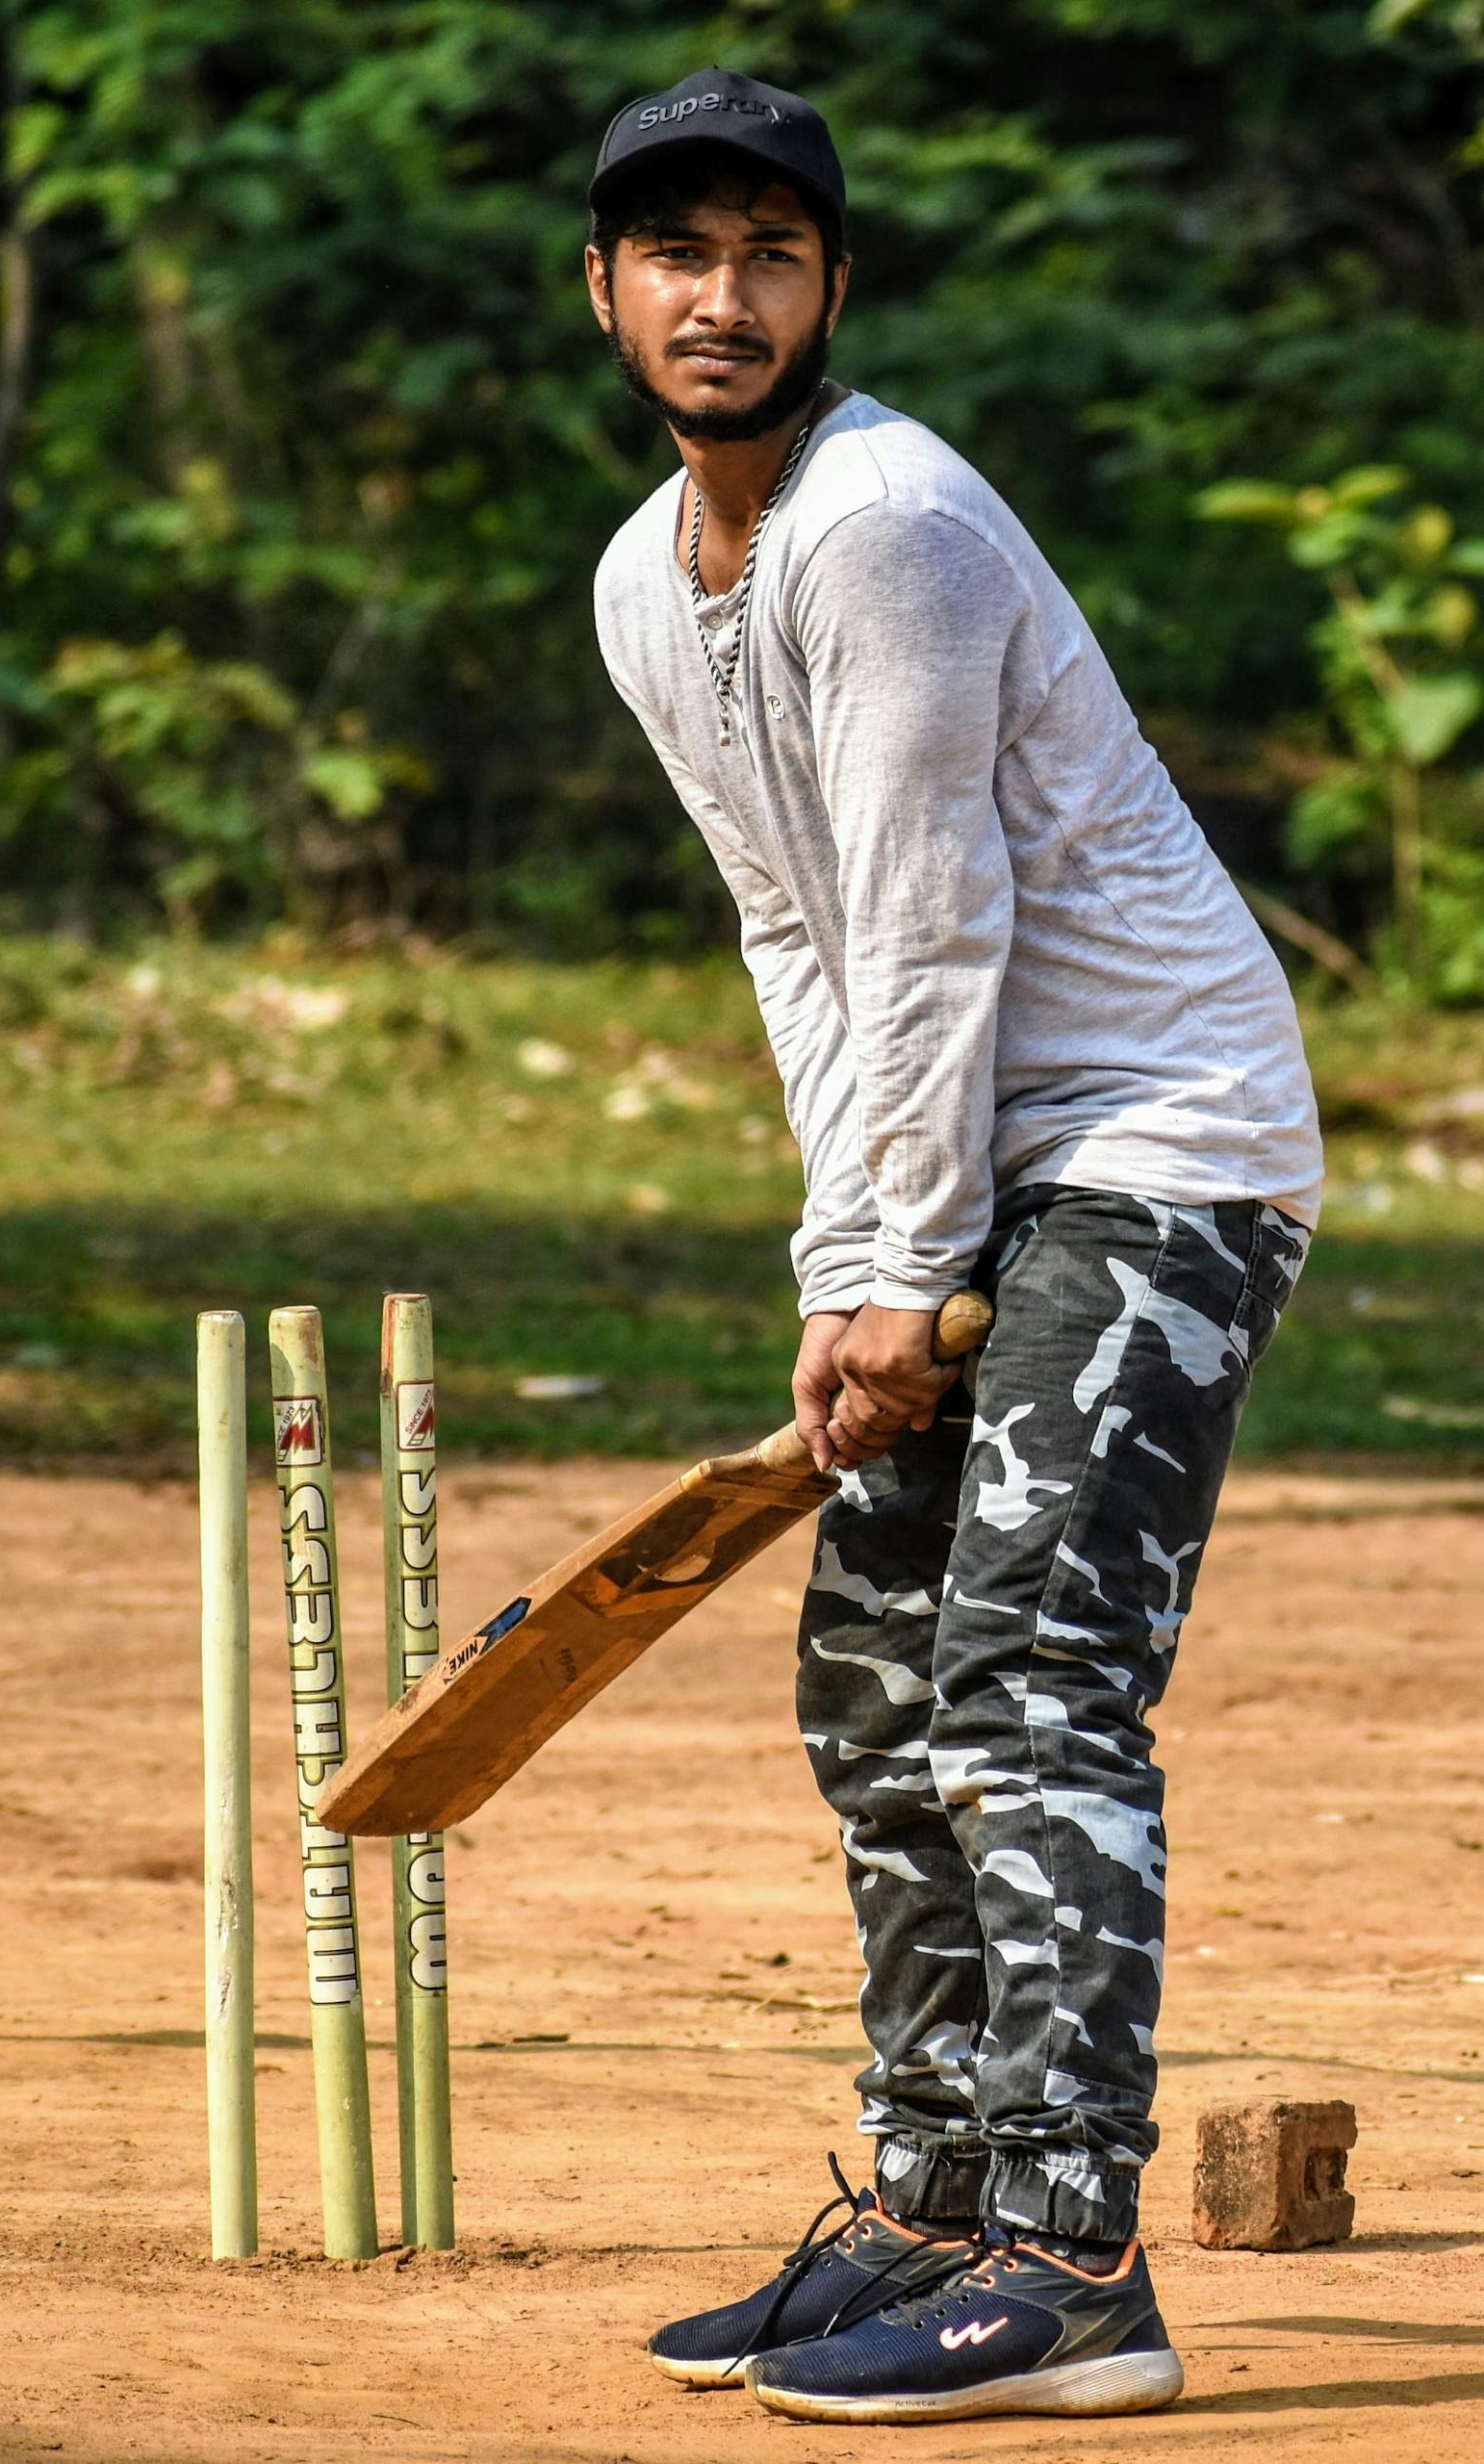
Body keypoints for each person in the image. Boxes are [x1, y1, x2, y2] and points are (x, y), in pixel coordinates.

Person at [587, 67, 1320, 2426]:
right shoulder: (645, 582)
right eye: (678, 251)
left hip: (1156, 1140)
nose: (725, 294)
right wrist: (852, 1270)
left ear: (832, 290)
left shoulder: (883, 522)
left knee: (1026, 1681)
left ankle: (1071, 2255)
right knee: (869, 1693)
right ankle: (925, 2197)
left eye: (773, 252)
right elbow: (801, 942)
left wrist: (907, 1260)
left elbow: (933, 926)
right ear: (601, 286)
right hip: (965, 1165)